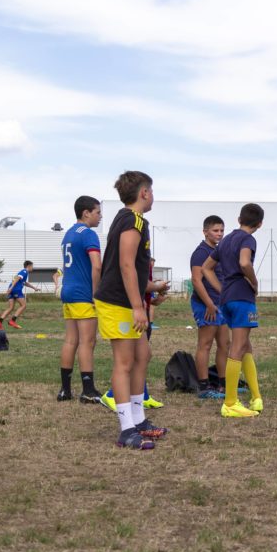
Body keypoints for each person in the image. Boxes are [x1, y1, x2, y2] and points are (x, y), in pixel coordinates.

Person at [93, 170, 165, 450]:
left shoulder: (131, 220)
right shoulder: (133, 220)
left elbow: (130, 269)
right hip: (117, 303)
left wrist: (151, 289)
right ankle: (126, 430)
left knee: (142, 355)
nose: (153, 196)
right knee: (124, 362)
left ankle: (139, 420)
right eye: (152, 191)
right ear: (144, 192)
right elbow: (124, 264)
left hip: (125, 300)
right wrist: (138, 307)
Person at [203, 203, 265, 418]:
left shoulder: (226, 239)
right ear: (260, 224)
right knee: (238, 347)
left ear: (239, 218)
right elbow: (245, 262)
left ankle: (256, 397)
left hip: (227, 299)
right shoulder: (249, 239)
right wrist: (254, 282)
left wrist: (222, 289)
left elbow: (206, 268)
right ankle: (230, 403)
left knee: (246, 345)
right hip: (243, 297)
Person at [57, 196, 104, 403]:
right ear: (86, 213)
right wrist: (97, 293)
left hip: (68, 291)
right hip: (83, 294)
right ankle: (87, 390)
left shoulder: (68, 234)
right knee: (88, 341)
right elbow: (96, 265)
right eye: (97, 212)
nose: (100, 216)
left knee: (70, 340)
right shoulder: (89, 234)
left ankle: (65, 390)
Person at [191, 215, 229, 399]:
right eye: (215, 230)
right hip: (206, 304)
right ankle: (204, 387)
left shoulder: (220, 251)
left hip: (220, 304)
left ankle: (223, 384)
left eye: (222, 230)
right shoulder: (200, 252)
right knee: (205, 344)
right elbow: (197, 280)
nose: (219, 233)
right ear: (205, 231)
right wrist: (209, 304)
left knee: (224, 344)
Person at [0, 260, 38, 329]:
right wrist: (11, 288)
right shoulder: (24, 271)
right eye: (32, 266)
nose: (32, 268)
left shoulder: (24, 273)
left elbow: (24, 283)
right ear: (28, 266)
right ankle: (12, 321)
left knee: (11, 307)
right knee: (23, 305)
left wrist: (34, 288)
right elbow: (17, 278)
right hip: (16, 290)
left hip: (12, 289)